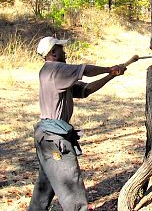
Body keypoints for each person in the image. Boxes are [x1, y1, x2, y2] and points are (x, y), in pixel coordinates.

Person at [28, 36, 127, 211]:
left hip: (46, 138)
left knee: (45, 185)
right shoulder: (55, 69)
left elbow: (85, 90)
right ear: (53, 53)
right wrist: (109, 68)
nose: (64, 52)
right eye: (61, 49)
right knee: (71, 185)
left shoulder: (52, 74)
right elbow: (86, 70)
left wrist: (111, 76)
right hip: (54, 140)